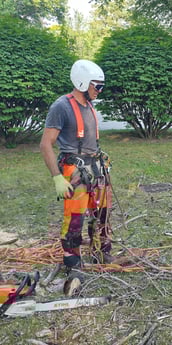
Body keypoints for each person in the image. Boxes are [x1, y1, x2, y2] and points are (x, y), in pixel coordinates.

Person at [40, 59, 113, 270]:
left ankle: (101, 252)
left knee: (103, 213)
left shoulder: (89, 105)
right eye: (97, 86)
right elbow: (46, 144)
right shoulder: (61, 106)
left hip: (97, 168)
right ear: (83, 82)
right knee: (74, 219)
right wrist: (56, 177)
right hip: (75, 171)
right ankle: (72, 260)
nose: (100, 90)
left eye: (102, 86)